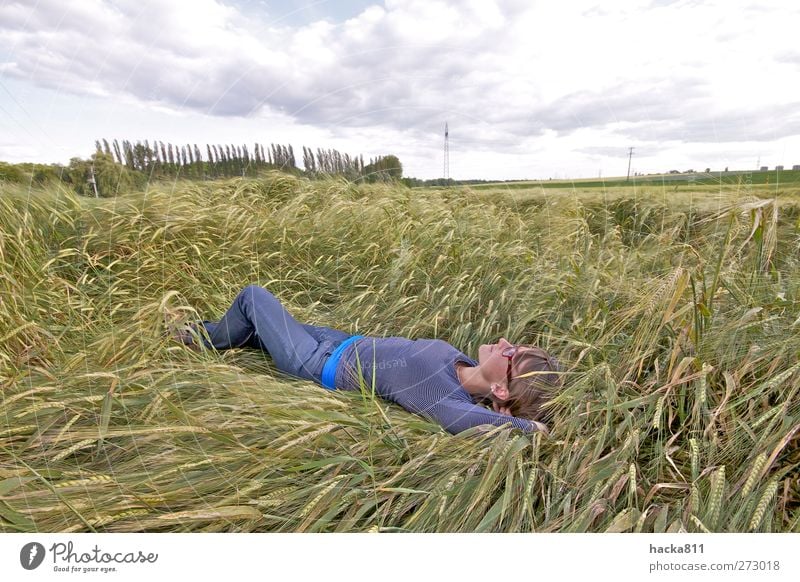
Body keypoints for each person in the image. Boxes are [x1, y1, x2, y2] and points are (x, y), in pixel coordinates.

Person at [171, 284, 561, 435]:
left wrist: (522, 423)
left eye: (512, 354)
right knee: (256, 331)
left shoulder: (445, 400)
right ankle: (210, 334)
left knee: (253, 299)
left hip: (314, 361)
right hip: (336, 340)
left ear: (499, 387)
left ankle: (199, 338)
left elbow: (527, 430)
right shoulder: (461, 366)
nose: (505, 342)